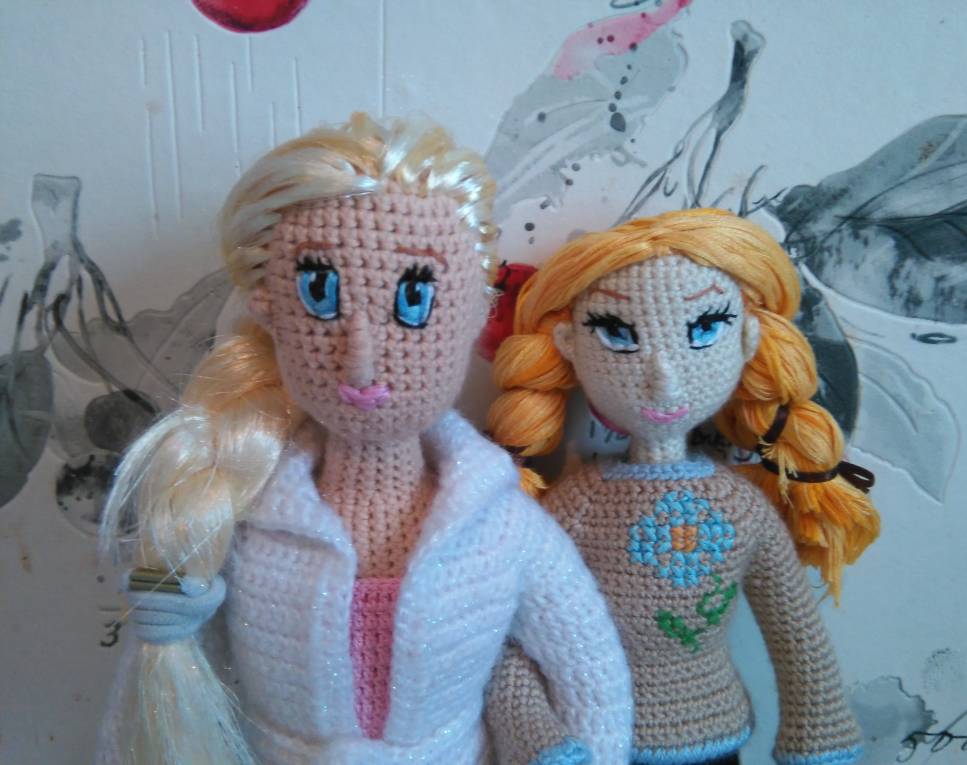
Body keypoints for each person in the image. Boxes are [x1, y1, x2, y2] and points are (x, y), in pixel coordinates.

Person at [96, 113, 632, 765]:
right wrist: (175, 615)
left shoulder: (499, 525)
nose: (361, 358)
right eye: (321, 294)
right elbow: (191, 686)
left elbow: (587, 665)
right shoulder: (242, 507)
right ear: (271, 310)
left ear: (476, 313)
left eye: (414, 301)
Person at [485, 209, 879, 765]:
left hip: (713, 724)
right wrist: (532, 729)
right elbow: (512, 626)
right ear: (569, 344)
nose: (662, 377)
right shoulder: (578, 503)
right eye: (618, 334)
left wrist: (820, 726)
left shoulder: (739, 506)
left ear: (747, 339)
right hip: (600, 733)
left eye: (704, 329)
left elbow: (796, 630)